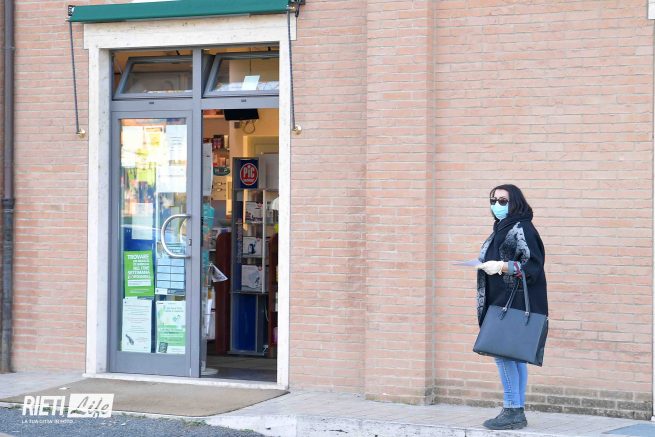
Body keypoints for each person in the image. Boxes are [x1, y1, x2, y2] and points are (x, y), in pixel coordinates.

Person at [476, 184, 548, 430]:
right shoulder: (502, 227)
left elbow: (532, 266)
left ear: (515, 202)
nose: (496, 204)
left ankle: (512, 410)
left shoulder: (522, 227)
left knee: (503, 356)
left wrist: (502, 266)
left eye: (503, 201)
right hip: (501, 300)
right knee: (514, 358)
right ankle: (517, 410)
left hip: (513, 302)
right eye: (493, 200)